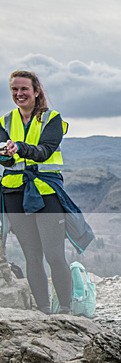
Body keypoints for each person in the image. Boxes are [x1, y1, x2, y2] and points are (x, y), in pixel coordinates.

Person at [0, 70, 93, 314]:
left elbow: (44, 151)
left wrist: (18, 147)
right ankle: (43, 310)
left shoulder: (52, 119)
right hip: (14, 193)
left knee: (54, 255)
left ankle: (64, 309)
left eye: (24, 89)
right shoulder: (5, 121)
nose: (19, 94)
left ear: (36, 91)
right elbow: (6, 162)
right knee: (32, 255)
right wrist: (6, 155)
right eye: (14, 90)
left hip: (45, 192)